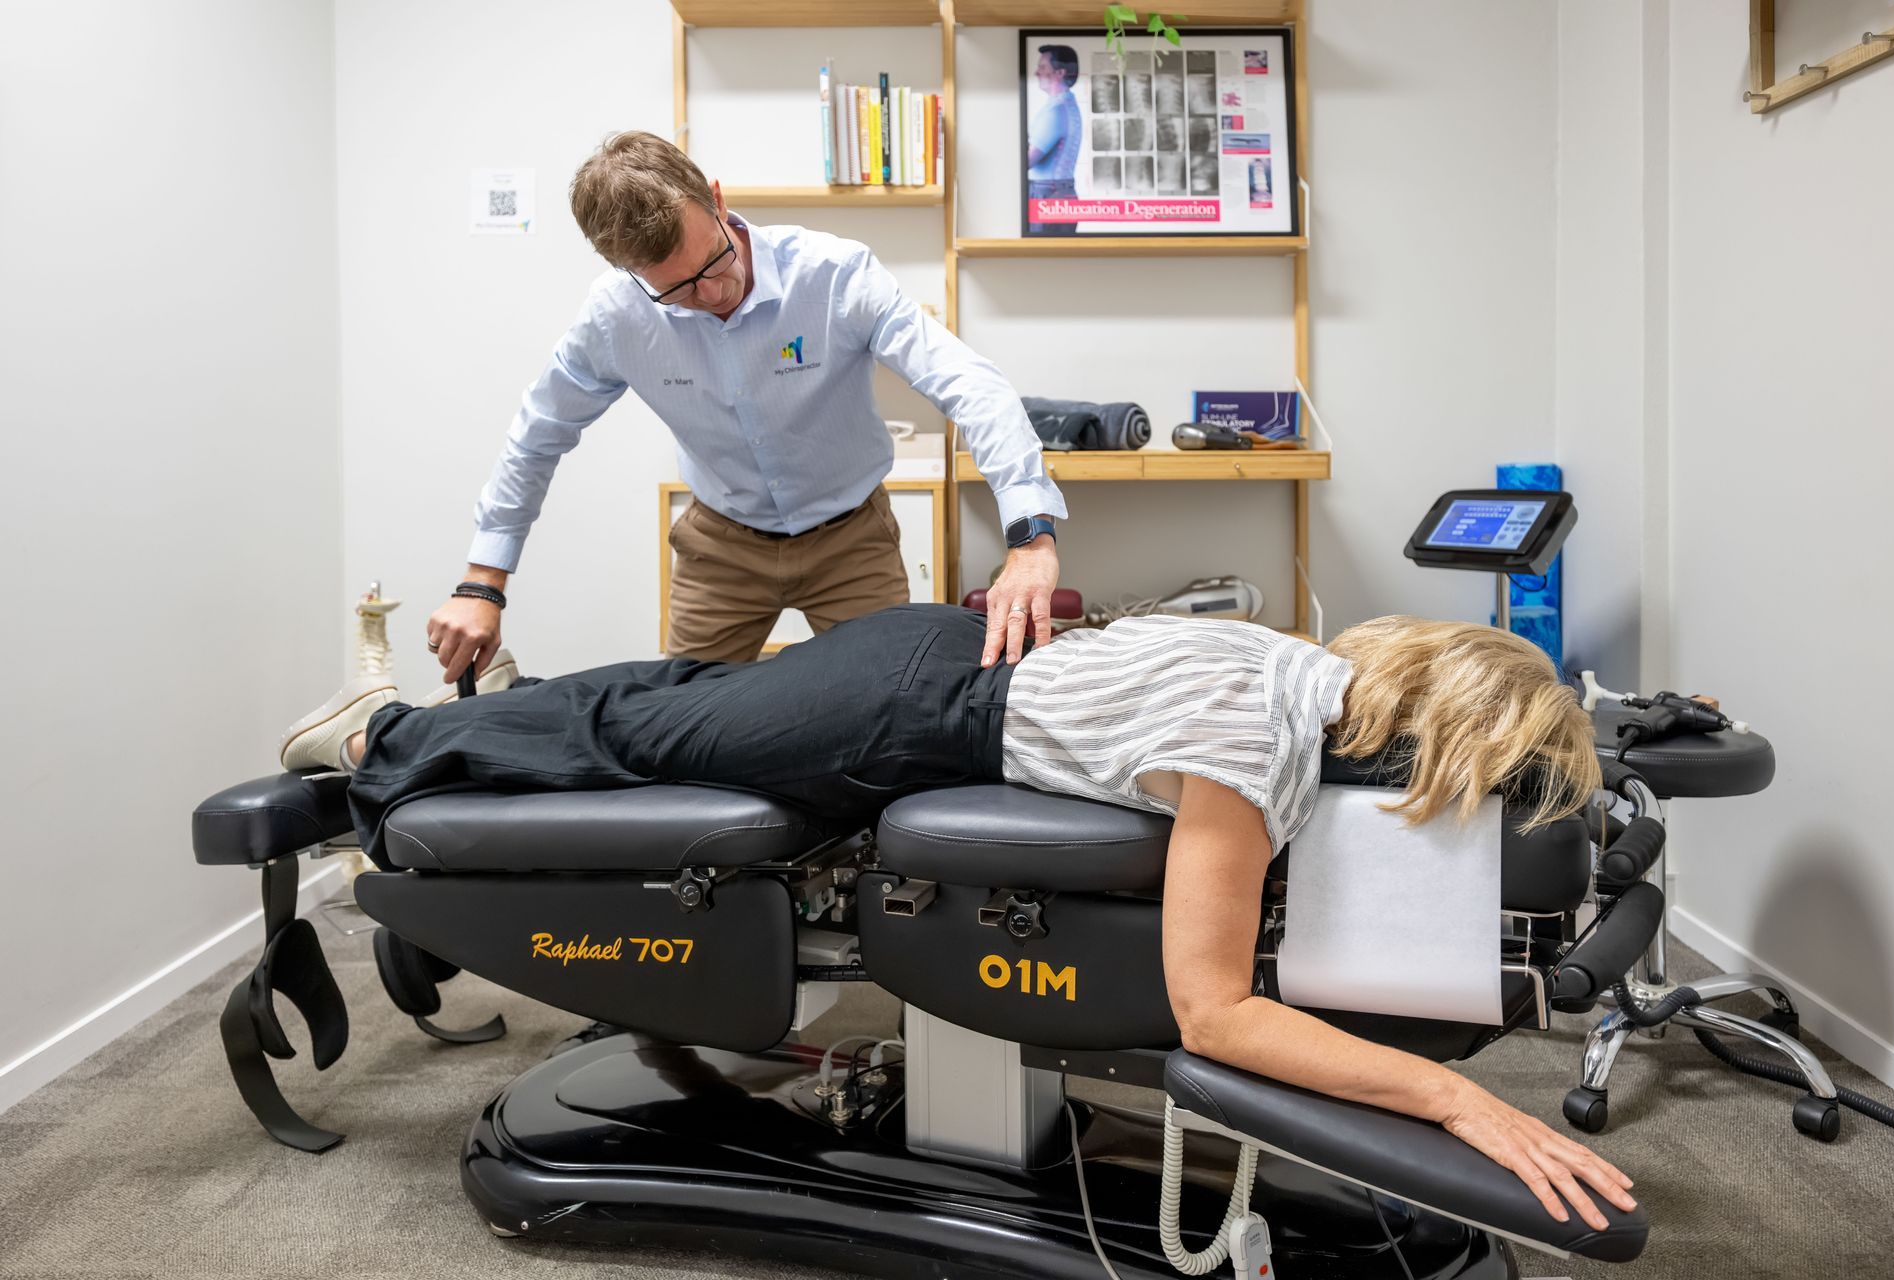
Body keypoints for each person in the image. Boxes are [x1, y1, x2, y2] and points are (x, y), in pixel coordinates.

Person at [277, 603, 1634, 1233]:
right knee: (643, 728)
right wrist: (1453, 1103)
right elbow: (1219, 1013)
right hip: (903, 716)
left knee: (667, 707)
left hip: (936, 654)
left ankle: (477, 722)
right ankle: (390, 736)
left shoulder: (1287, 656)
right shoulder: (1255, 749)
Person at [426, 131, 1068, 679]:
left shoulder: (835, 275)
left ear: (718, 200)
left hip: (852, 539)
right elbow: (539, 434)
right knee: (687, 726)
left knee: (893, 707)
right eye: (677, 289)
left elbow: (967, 381)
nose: (712, 292)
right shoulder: (615, 317)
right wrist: (484, 581)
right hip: (720, 548)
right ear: (630, 275)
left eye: (714, 259)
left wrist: (1030, 538)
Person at [1026, 45, 1084, 236]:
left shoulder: (1056, 111)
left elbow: (1027, 160)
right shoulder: (1067, 105)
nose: (1036, 72)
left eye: (1042, 67)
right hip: (1058, 192)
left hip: (1048, 195)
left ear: (1059, 72)